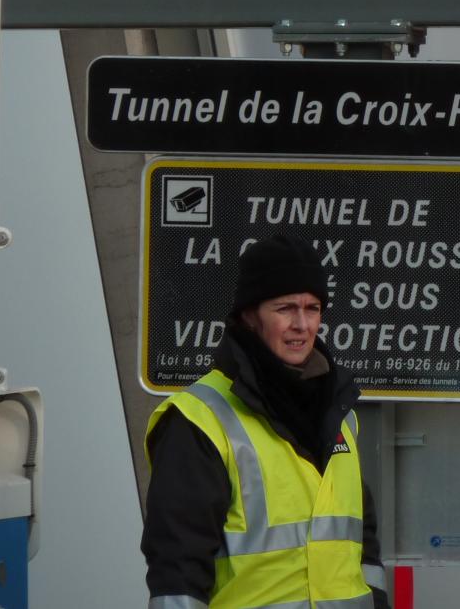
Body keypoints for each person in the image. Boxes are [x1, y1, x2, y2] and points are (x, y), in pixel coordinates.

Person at [142, 230, 390, 609]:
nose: (302, 325)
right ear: (249, 315)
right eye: (285, 308)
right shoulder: (199, 419)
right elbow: (177, 570)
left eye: (312, 308)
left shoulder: (340, 414)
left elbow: (362, 541)